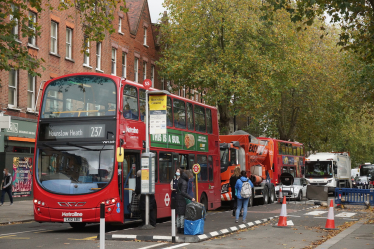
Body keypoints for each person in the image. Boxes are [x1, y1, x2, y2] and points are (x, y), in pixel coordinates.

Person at [175, 170, 195, 234]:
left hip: (177, 198)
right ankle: (181, 229)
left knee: (178, 215)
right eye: (190, 177)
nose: (190, 179)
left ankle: (178, 228)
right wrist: (191, 198)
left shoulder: (179, 180)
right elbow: (184, 192)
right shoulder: (184, 182)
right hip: (182, 199)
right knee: (182, 215)